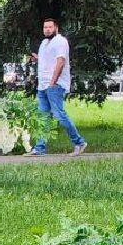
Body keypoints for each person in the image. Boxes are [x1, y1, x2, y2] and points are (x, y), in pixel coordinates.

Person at [28, 18, 87, 156]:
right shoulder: (44, 43)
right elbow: (47, 60)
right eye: (45, 27)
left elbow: (60, 62)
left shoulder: (61, 41)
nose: (47, 29)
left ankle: (79, 142)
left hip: (55, 85)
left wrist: (53, 82)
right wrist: (36, 59)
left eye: (50, 27)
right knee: (43, 117)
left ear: (56, 28)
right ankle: (40, 148)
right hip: (42, 85)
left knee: (60, 115)